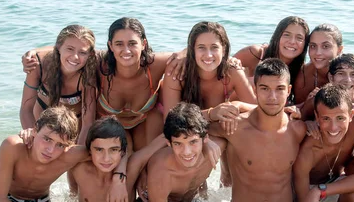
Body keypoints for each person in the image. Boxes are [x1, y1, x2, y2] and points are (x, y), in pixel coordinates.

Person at [208, 58, 325, 202]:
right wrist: (208, 135)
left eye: (279, 89)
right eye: (265, 88)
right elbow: (187, 126)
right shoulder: (235, 127)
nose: (272, 97)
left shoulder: (297, 130)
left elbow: (338, 124)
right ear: (255, 89)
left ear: (289, 90)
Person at [21, 17, 185, 149]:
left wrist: (184, 53)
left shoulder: (155, 64)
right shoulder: (98, 62)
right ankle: (71, 192)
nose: (126, 50)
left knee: (145, 169)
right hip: (107, 124)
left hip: (144, 122)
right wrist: (35, 52)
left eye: (132, 43)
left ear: (144, 44)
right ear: (110, 46)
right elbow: (72, 47)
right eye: (119, 44)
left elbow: (189, 54)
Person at [162, 21, 257, 187]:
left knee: (234, 123)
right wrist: (212, 113)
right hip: (181, 128)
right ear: (192, 50)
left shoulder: (231, 71)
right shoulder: (178, 71)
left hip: (210, 125)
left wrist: (238, 105)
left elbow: (256, 111)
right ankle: (197, 188)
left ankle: (227, 181)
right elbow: (169, 121)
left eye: (214, 47)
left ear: (225, 49)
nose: (208, 54)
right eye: (201, 48)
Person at [129, 102, 225, 202]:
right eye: (178, 144)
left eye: (193, 142)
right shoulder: (162, 170)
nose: (187, 152)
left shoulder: (216, 147)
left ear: (205, 138)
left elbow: (243, 117)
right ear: (168, 143)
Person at [294, 84, 354, 202]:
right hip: (304, 190)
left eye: (340, 118)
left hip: (329, 185)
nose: (333, 127)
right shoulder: (309, 147)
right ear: (317, 118)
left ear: (350, 115)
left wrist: (320, 190)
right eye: (326, 119)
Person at [19, 25, 97, 144]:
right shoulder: (38, 64)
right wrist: (33, 137)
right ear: (59, 47)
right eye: (70, 49)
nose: (75, 57)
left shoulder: (88, 75)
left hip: (75, 125)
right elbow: (26, 109)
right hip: (41, 117)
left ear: (89, 54)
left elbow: (88, 123)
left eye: (82, 52)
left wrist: (77, 152)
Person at [233, 16, 309, 102]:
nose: (292, 41)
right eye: (286, 35)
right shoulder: (257, 53)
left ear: (305, 44)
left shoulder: (300, 72)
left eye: (299, 38)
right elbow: (222, 70)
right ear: (277, 36)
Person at [293, 23, 344, 105]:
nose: (318, 53)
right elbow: (299, 112)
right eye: (313, 46)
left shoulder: (352, 73)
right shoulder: (304, 76)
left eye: (326, 46)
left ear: (339, 50)